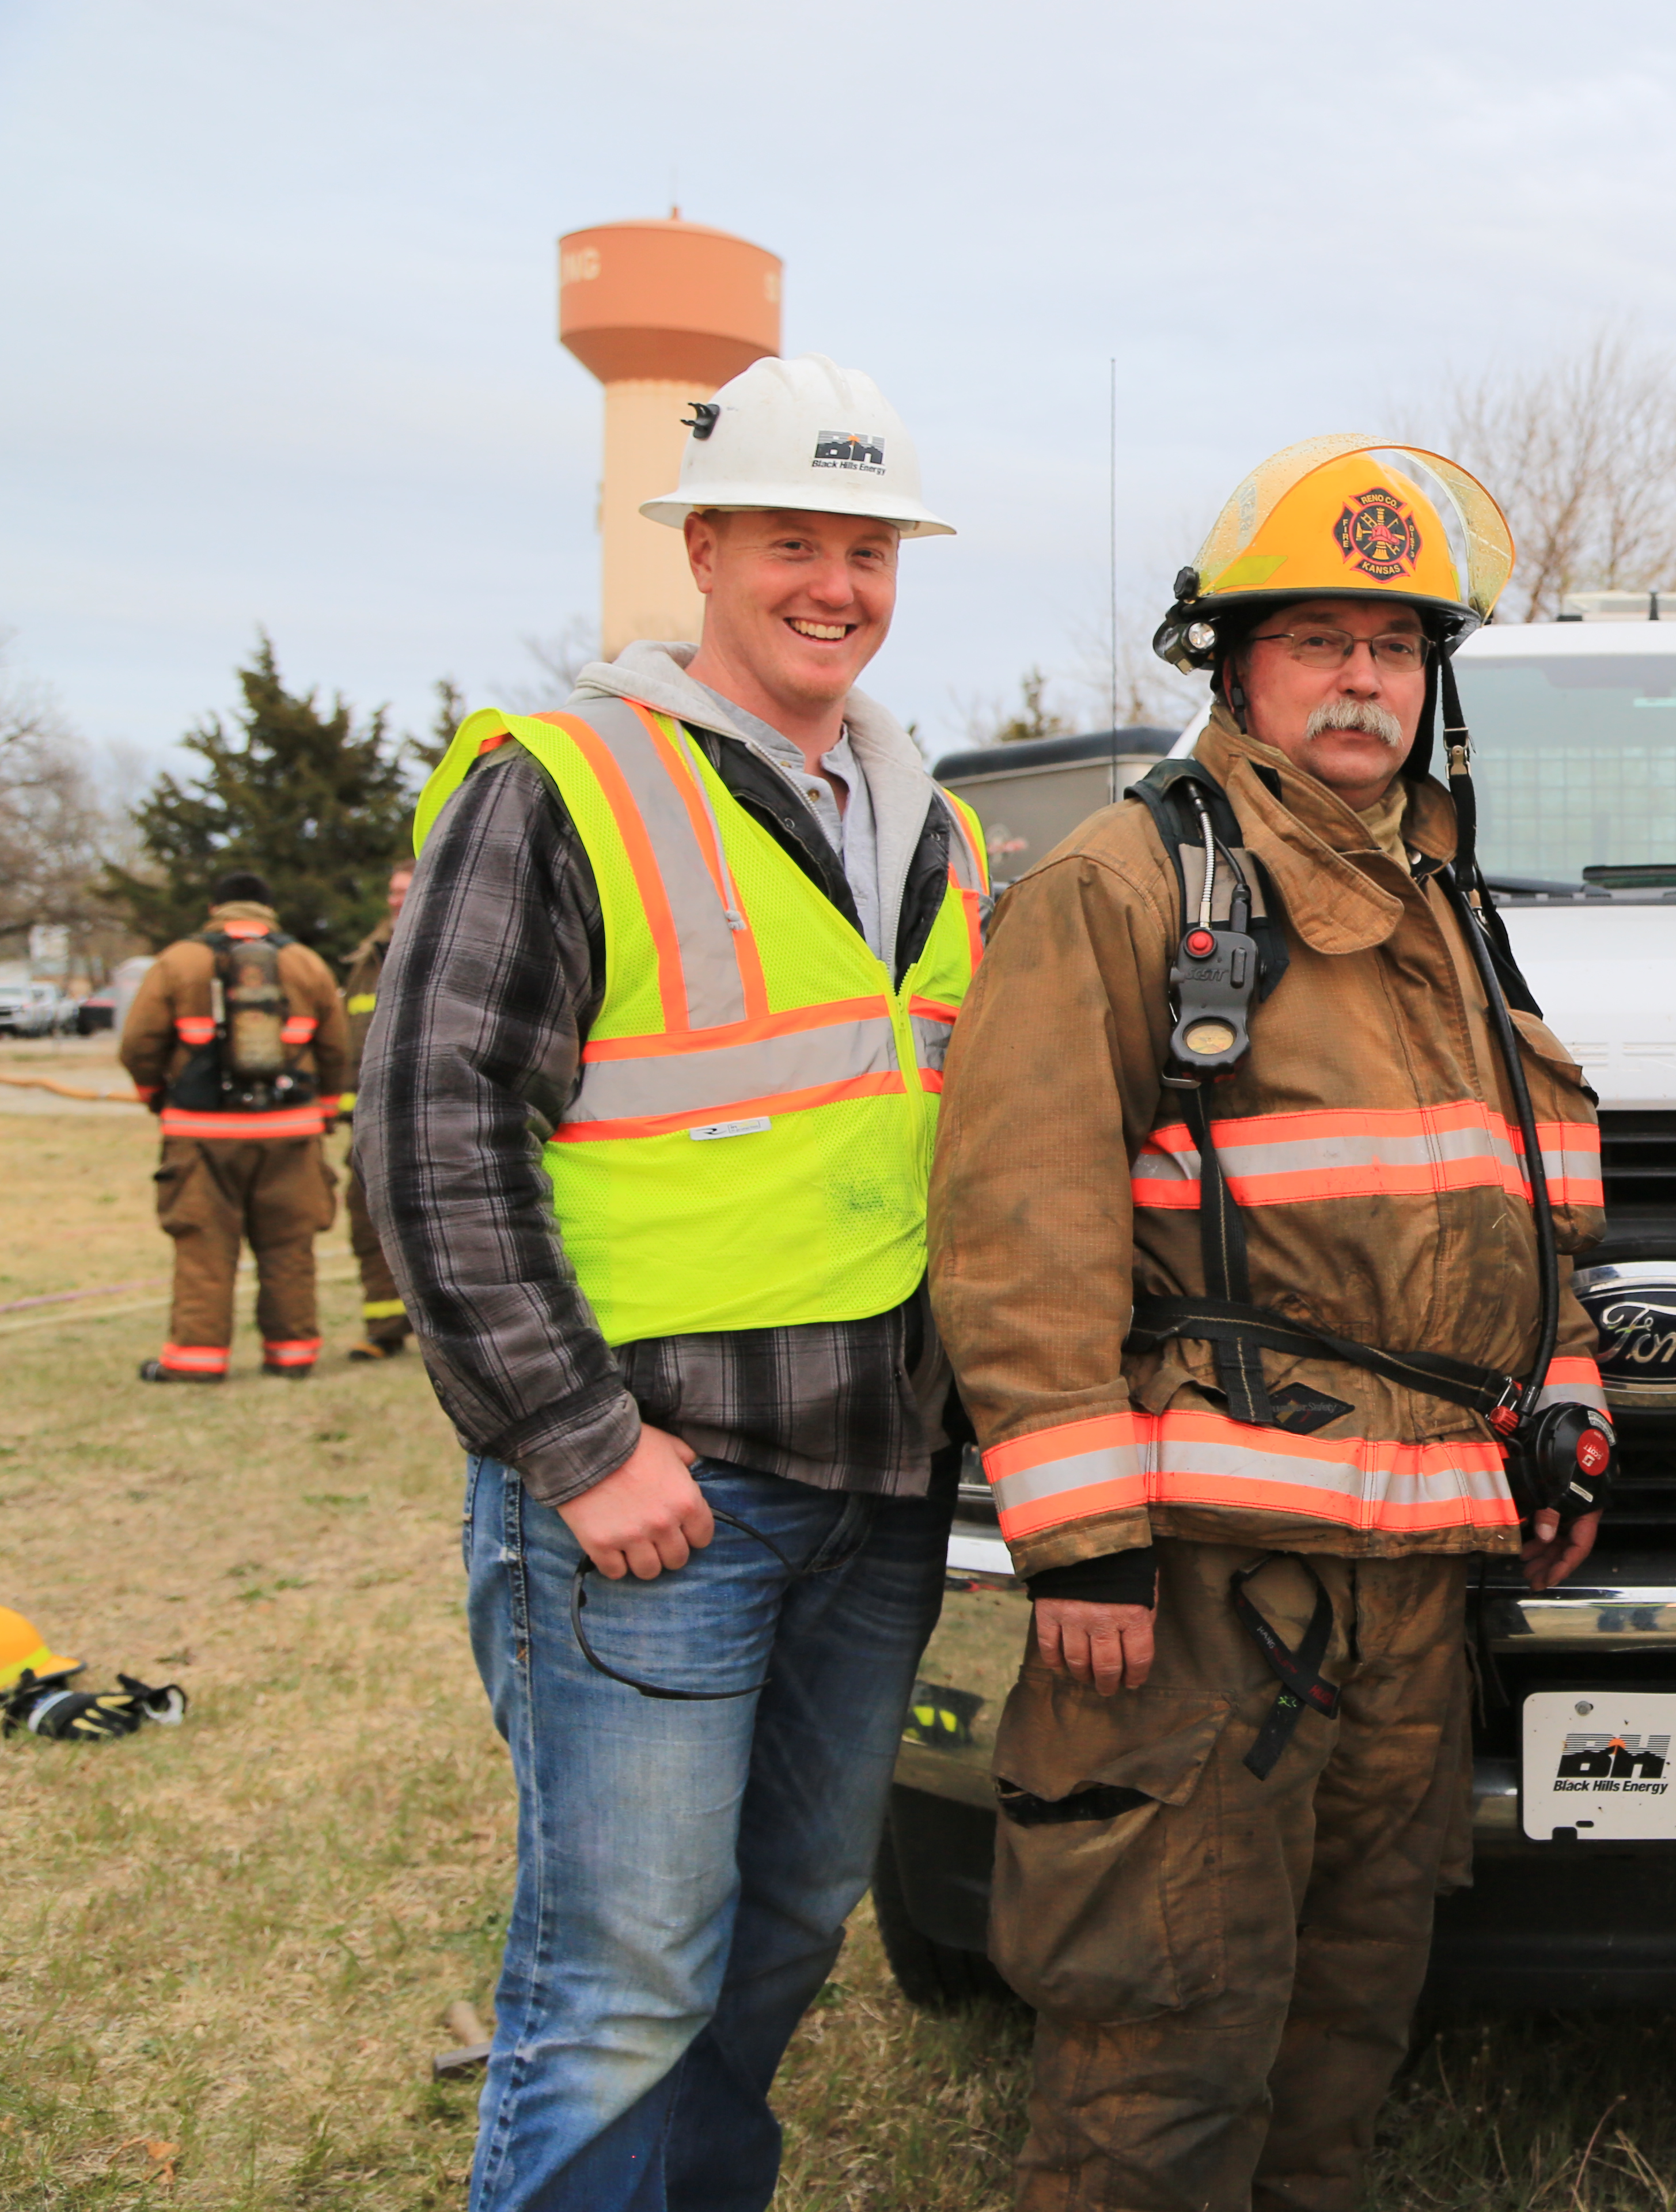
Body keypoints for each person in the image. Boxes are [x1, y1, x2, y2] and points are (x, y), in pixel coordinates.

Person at [929, 435, 1609, 2212]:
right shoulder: (1128, 884)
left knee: (1344, 2026)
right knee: (1166, 2032)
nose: (1363, 678)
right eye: (1319, 639)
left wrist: (1565, 1401)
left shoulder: (1438, 900)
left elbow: (1518, 1197)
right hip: (1202, 1593)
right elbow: (1019, 1219)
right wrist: (1075, 1540)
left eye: (1395, 646)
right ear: (1233, 666)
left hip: (1408, 1585)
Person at [361, 354, 986, 2212]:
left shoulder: (924, 825)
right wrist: (574, 1438)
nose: (838, 585)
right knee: (622, 1977)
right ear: (701, 545)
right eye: (795, 537)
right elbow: (432, 1128)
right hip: (658, 1497)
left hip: (874, 1492)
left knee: (789, 1922)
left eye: (869, 547)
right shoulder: (562, 784)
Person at [117, 868, 351, 1382]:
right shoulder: (305, 964)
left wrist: (158, 1097)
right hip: (291, 1133)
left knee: (203, 1244)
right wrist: (327, 1108)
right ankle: (292, 1355)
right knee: (290, 1245)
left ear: (214, 910)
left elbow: (138, 1043)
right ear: (270, 910)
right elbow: (338, 1049)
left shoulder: (179, 961)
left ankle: (196, 1361)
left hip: (202, 1135)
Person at [336, 861, 412, 1361]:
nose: (395, 900)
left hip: (429, 1113)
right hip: (371, 1120)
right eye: (391, 891)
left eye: (405, 890)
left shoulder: (450, 936)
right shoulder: (367, 957)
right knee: (367, 1223)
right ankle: (385, 1327)